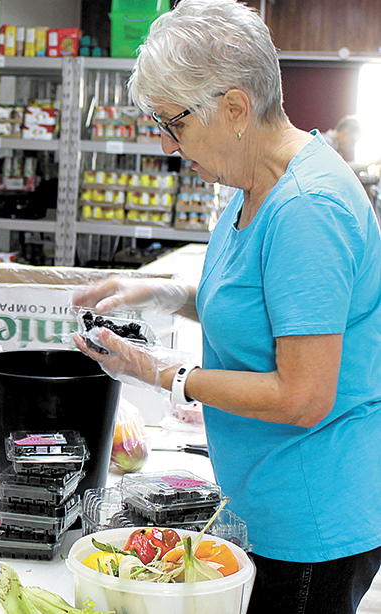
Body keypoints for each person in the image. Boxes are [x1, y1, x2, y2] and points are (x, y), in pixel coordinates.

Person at [71, 1, 381, 613]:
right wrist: (162, 292)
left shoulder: (308, 210)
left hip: (310, 518)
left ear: (236, 108)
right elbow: (262, 307)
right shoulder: (249, 185)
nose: (166, 143)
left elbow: (303, 396)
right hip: (263, 496)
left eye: (174, 123)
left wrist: (165, 374)